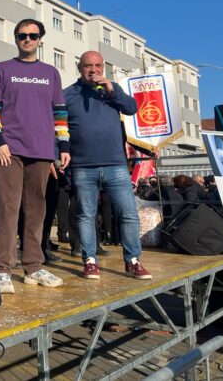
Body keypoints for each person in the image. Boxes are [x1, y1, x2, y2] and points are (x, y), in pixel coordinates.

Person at [0, 19, 70, 293]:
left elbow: (60, 112)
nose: (28, 39)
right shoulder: (2, 69)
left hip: (42, 151)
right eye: (22, 35)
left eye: (33, 35)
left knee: (37, 209)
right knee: (8, 208)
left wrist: (63, 147)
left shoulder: (51, 73)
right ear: (16, 38)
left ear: (41, 39)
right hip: (10, 149)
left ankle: (34, 266)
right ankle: (2, 268)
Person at [64, 50, 151, 280]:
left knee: (128, 214)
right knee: (85, 215)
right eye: (87, 66)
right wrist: (58, 155)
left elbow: (132, 108)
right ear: (79, 67)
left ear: (103, 68)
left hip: (116, 165)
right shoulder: (68, 95)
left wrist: (112, 91)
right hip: (83, 166)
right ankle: (89, 261)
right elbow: (58, 129)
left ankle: (133, 261)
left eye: (98, 66)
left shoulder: (112, 91)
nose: (93, 70)